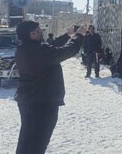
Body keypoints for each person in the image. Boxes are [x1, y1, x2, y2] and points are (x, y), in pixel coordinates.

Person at [14, 21, 86, 154]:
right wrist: (79, 35)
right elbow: (67, 51)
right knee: (37, 143)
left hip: (30, 101)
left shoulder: (26, 48)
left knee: (27, 139)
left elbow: (50, 47)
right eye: (38, 29)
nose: (41, 30)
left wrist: (67, 35)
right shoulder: (38, 51)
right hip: (41, 103)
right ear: (32, 34)